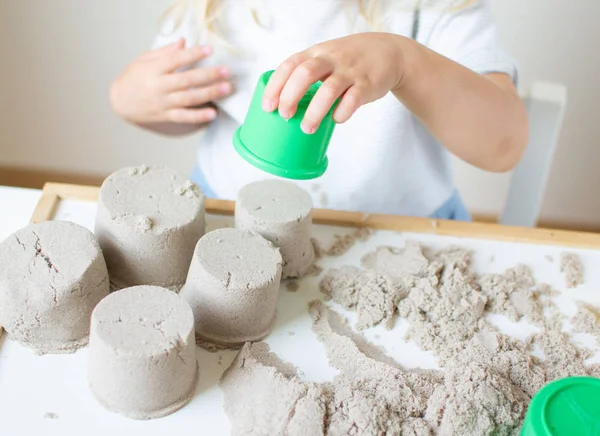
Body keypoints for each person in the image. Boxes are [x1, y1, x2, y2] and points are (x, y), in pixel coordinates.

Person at [109, 0, 528, 221]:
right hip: (230, 220)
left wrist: (406, 63)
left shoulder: (436, 8)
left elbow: (502, 145)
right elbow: (187, 106)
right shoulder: (213, 7)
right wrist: (131, 100)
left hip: (400, 237)